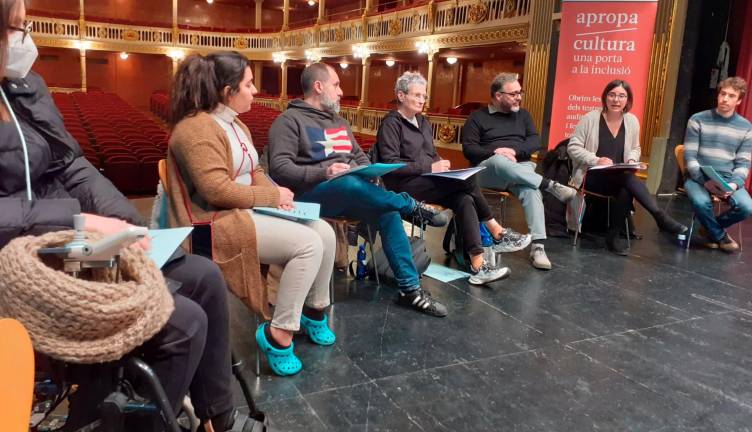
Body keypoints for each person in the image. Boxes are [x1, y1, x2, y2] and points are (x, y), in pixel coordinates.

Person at [0, 1, 259, 430]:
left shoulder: (25, 86)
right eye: (16, 29)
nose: (27, 39)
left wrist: (127, 224)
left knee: (205, 278)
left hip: (66, 244)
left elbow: (70, 166)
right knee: (184, 322)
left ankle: (219, 418)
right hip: (18, 259)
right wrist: (76, 220)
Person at [165, 51, 336, 377]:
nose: (255, 90)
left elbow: (254, 169)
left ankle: (314, 311)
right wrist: (272, 195)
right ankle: (280, 332)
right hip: (212, 222)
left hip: (245, 209)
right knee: (308, 244)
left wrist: (277, 199)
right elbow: (216, 190)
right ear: (227, 92)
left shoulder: (234, 122)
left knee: (324, 231)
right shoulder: (195, 129)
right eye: (249, 84)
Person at [269, 62, 451, 317]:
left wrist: (369, 173)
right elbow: (279, 168)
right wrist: (325, 172)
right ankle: (410, 205)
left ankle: (410, 290)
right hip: (311, 196)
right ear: (318, 87)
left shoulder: (340, 122)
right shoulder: (289, 121)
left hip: (350, 190)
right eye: (336, 85)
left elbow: (359, 156)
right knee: (350, 183)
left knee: (385, 210)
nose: (341, 91)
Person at [374, 71, 532, 284]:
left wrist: (441, 164)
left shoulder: (423, 122)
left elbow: (430, 154)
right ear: (401, 96)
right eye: (417, 95)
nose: (422, 100)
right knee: (467, 181)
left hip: (425, 180)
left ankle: (478, 266)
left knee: (464, 199)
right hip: (402, 185)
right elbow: (391, 165)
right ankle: (497, 231)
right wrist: (431, 166)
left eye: (424, 96)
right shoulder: (391, 123)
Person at [461, 73, 575, 270]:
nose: (519, 97)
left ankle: (538, 247)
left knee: (531, 190)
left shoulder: (523, 115)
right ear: (498, 95)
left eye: (519, 92)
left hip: (520, 169)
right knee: (499, 160)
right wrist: (494, 151)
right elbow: (469, 149)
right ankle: (549, 185)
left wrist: (514, 151)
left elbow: (534, 142)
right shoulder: (477, 117)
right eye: (514, 94)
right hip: (489, 171)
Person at [568, 79, 687, 255]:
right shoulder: (590, 118)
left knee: (626, 187)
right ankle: (660, 217)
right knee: (627, 180)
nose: (616, 100)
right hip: (592, 175)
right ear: (605, 97)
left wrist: (632, 160)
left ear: (627, 100)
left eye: (621, 96)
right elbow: (573, 147)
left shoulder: (632, 121)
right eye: (612, 95)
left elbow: (635, 148)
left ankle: (613, 236)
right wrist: (596, 159)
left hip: (618, 175)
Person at [683, 76, 752, 252]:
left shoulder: (745, 126)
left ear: (738, 101)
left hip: (727, 178)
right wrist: (703, 180)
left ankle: (708, 228)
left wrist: (734, 184)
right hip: (699, 177)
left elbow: (743, 163)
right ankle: (720, 236)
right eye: (723, 94)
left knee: (747, 207)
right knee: (701, 203)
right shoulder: (698, 119)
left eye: (731, 96)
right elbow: (690, 156)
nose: (725, 99)